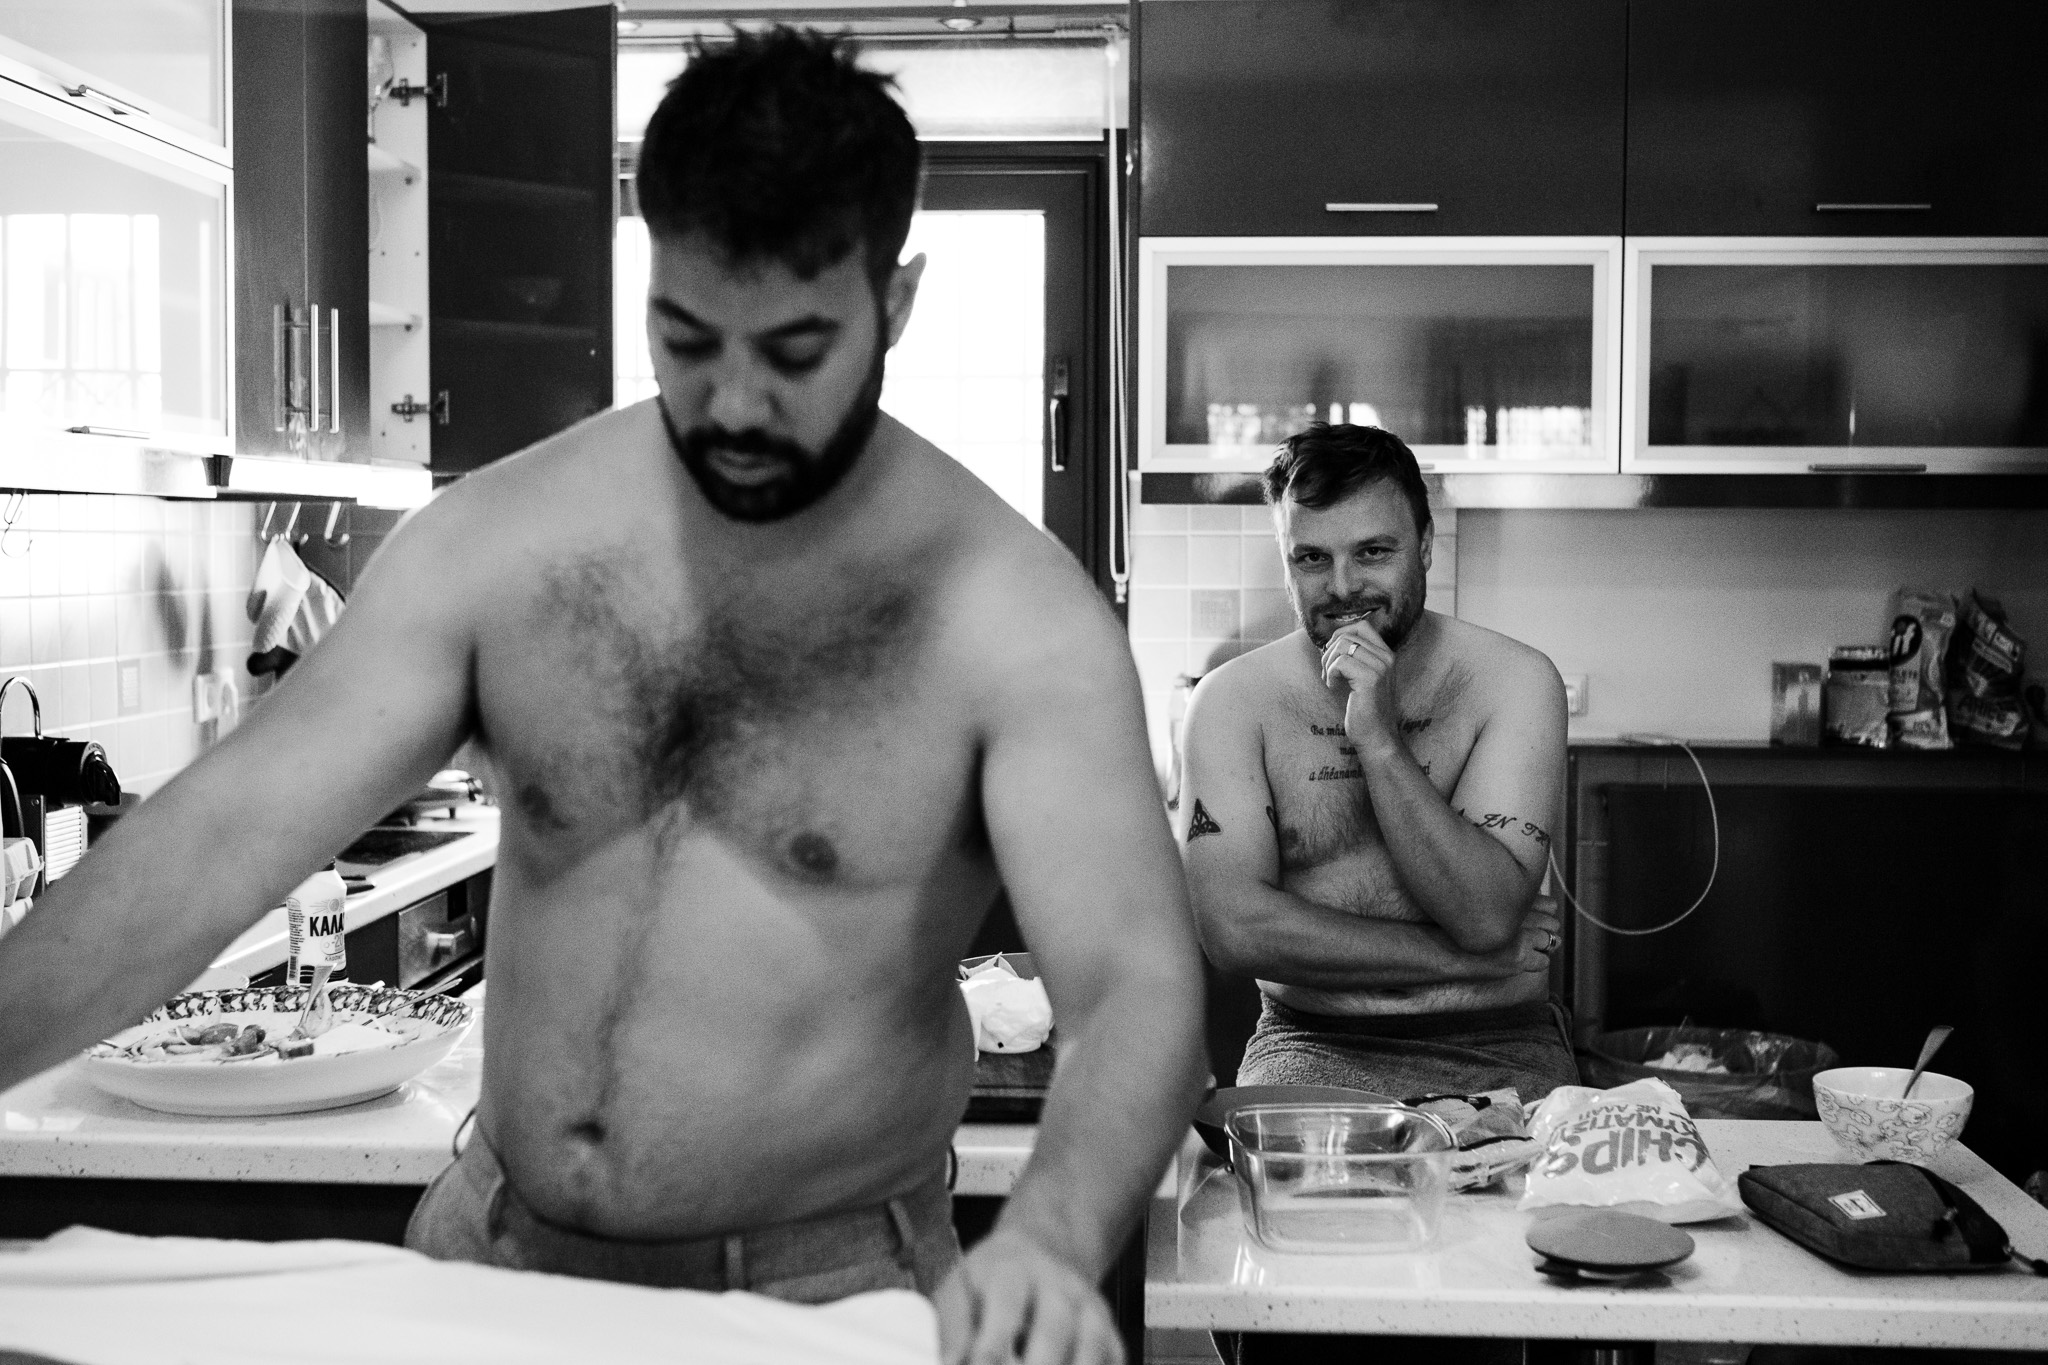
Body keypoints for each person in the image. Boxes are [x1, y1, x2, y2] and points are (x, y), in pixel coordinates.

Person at [0, 29, 1205, 1365]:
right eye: (687, 337)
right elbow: (219, 839)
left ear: (897, 299)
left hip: (817, 1297)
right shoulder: (503, 545)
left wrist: (1049, 1231)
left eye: (796, 348)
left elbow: (1136, 988)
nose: (735, 401)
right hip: (489, 1260)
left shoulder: (1009, 620)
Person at [1178, 422, 1575, 1104]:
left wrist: (1379, 737)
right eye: (1311, 559)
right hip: (1305, 1045)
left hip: (1502, 1045)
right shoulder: (1232, 701)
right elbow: (1233, 930)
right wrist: (1455, 959)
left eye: (1373, 551)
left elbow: (1483, 913)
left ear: (1424, 545)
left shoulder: (1514, 681)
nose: (1342, 586)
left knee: (1519, 1210)